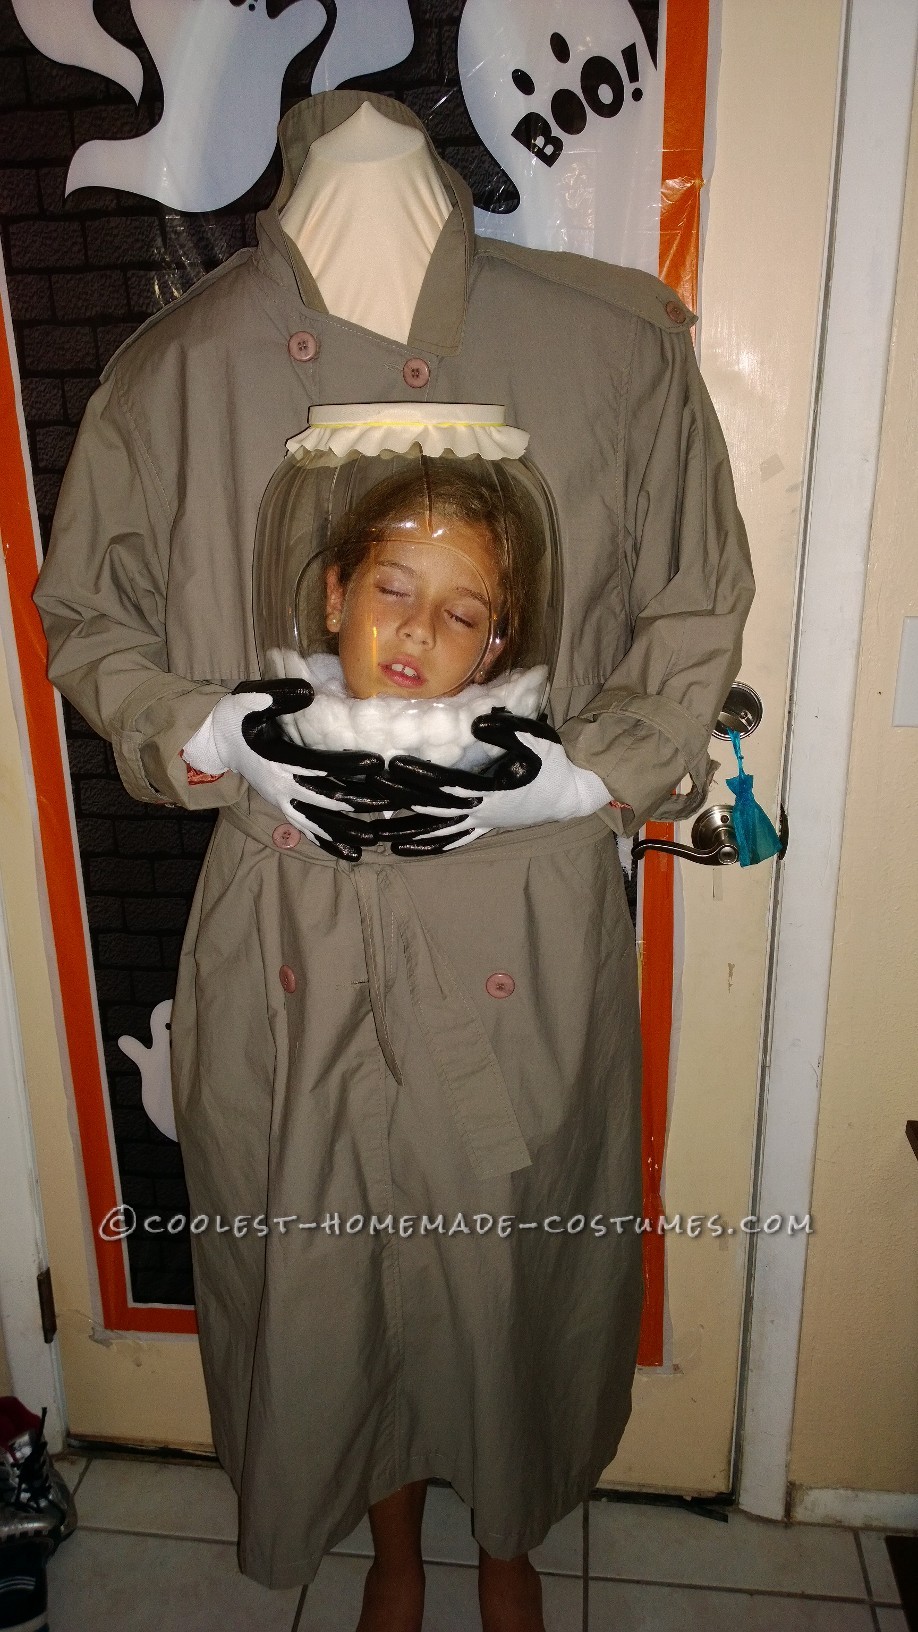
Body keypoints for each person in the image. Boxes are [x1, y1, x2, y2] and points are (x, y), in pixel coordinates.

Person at [33, 89, 755, 1632]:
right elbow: (86, 616)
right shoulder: (173, 370)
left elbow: (692, 610)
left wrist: (565, 782)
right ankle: (391, 1543)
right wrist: (218, 734)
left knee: (506, 1261)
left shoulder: (614, 343)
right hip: (289, 916)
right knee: (323, 1256)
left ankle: (502, 1537)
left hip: (518, 916)